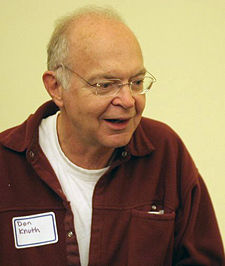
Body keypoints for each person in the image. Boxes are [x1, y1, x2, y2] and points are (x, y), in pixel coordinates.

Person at [0, 6, 224, 266]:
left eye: (137, 82)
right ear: (56, 87)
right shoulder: (6, 162)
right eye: (105, 85)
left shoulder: (165, 152)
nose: (128, 101)